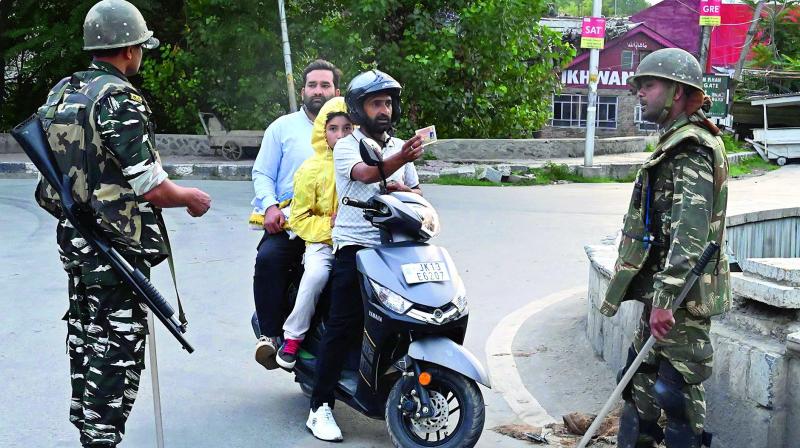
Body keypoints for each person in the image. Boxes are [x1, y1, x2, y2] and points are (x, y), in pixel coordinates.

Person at [32, 1, 212, 446]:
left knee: (86, 337)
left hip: (76, 240)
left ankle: (89, 429)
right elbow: (151, 187)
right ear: (129, 50)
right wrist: (189, 198)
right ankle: (101, 437)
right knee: (117, 348)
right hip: (115, 247)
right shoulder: (119, 98)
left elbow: (53, 174)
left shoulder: (64, 92)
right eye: (140, 48)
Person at [601, 48, 730, 448]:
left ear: (676, 92)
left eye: (649, 85)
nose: (639, 92)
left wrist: (666, 299)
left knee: (676, 396)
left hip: (681, 302)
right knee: (639, 388)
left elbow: (690, 235)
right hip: (664, 296)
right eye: (638, 85)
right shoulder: (673, 142)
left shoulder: (691, 147)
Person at [305, 70, 423, 442]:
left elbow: (417, 195)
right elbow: (365, 175)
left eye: (388, 102)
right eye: (376, 103)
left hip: (397, 246)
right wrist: (398, 161)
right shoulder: (346, 146)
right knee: (344, 323)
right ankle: (319, 407)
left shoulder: (400, 146)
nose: (384, 109)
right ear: (359, 108)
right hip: (355, 247)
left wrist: (408, 188)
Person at [251, 59, 342, 369]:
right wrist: (270, 206)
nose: (318, 91)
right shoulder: (283, 128)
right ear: (303, 90)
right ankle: (271, 337)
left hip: (338, 223)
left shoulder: (349, 130)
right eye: (313, 85)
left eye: (325, 85)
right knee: (269, 258)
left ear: (336, 91)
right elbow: (262, 173)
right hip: (290, 218)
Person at [276, 97, 353, 370]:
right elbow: (298, 219)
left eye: (347, 128)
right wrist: (330, 227)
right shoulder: (310, 169)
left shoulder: (364, 163)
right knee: (316, 275)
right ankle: (293, 337)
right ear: (323, 131)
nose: (341, 135)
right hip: (322, 244)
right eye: (334, 128)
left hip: (358, 241)